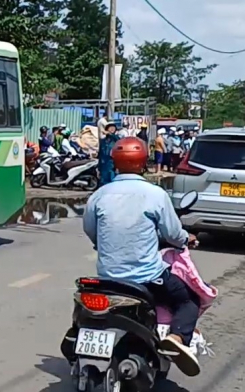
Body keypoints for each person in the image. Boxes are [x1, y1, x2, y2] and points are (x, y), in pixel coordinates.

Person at [83, 136, 201, 377]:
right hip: (147, 279)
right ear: (143, 162)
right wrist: (185, 239)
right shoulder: (155, 194)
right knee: (189, 301)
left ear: (115, 162)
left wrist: (100, 244)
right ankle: (177, 337)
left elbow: (90, 229)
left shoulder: (99, 195)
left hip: (108, 279)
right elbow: (173, 233)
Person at [98, 121, 120, 187]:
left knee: (113, 181)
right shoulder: (103, 141)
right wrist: (99, 166)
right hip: (104, 164)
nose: (112, 129)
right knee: (104, 182)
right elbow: (100, 153)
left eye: (113, 127)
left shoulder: (116, 139)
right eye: (110, 127)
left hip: (113, 163)